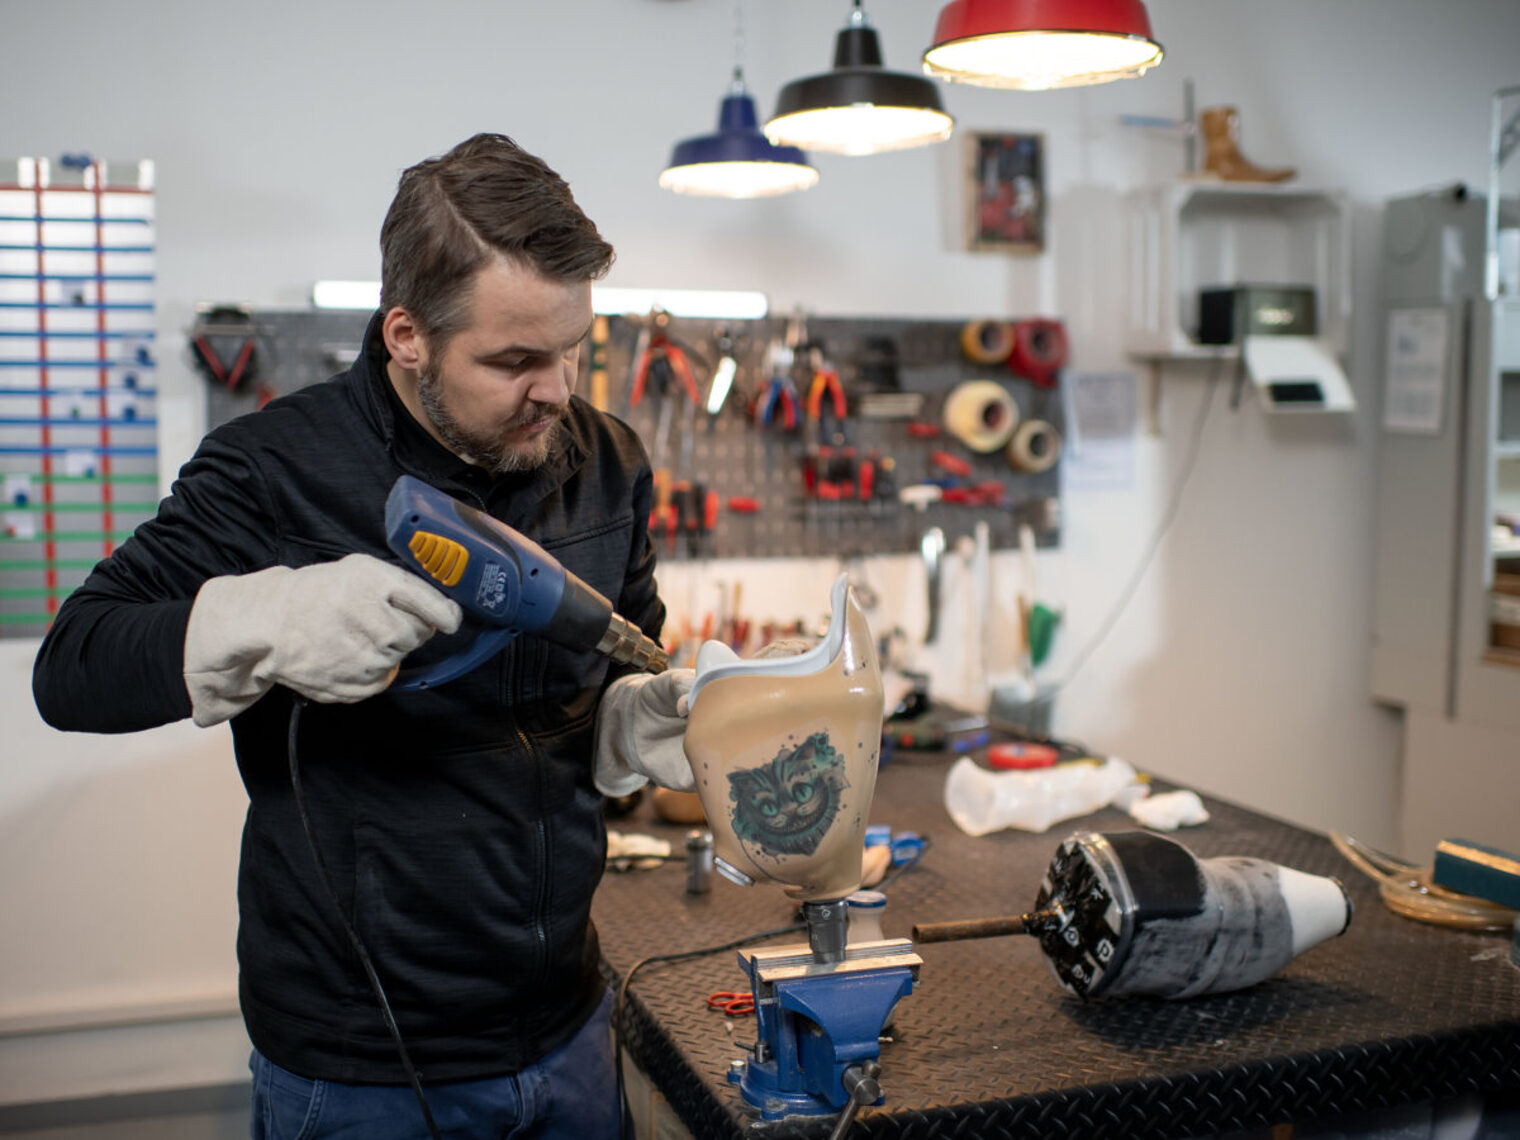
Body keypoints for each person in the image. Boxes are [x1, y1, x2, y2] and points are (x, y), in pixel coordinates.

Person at [32, 133, 695, 1140]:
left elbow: (623, 655)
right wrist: (258, 618)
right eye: (514, 360)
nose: (556, 389)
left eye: (570, 349)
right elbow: (71, 670)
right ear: (406, 337)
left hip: (566, 1025)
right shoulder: (271, 469)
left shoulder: (606, 462)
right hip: (361, 1067)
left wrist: (634, 722)